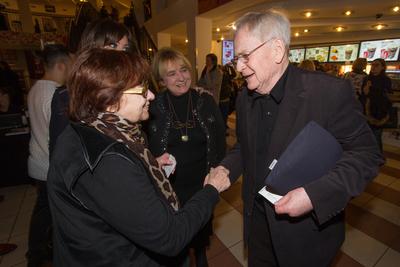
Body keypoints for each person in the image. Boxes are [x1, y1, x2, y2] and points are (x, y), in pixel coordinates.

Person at [214, 10, 383, 267]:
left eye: (245, 56)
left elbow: (366, 154)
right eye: (237, 59)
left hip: (304, 237)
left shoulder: (328, 93)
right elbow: (244, 147)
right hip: (256, 227)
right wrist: (227, 168)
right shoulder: (245, 97)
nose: (238, 67)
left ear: (277, 50)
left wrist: (314, 195)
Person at [47, 48, 230, 267]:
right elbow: (169, 237)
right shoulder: (109, 161)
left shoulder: (91, 131)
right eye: (142, 89)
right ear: (111, 99)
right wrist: (211, 190)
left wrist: (148, 165)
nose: (151, 95)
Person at [147, 47, 226, 266]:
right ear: (161, 80)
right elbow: (143, 148)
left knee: (200, 237)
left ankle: (200, 257)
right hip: (169, 189)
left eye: (183, 70)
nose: (181, 77)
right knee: (175, 240)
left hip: (201, 184)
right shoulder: (152, 107)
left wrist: (217, 174)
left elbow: (220, 139)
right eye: (172, 74)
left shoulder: (205, 101)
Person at [49, 18, 133, 156]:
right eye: (112, 46)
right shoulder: (67, 95)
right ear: (93, 48)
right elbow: (59, 152)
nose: (121, 54)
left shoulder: (128, 91)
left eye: (124, 48)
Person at [26, 44, 72, 267]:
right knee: (48, 214)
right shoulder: (55, 94)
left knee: (43, 211)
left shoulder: (35, 88)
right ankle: (37, 255)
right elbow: (59, 138)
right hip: (47, 166)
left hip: (38, 161)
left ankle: (38, 253)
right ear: (62, 65)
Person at [361, 58, 393, 152]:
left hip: (379, 112)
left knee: (376, 135)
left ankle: (378, 156)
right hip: (366, 110)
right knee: (366, 135)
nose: (373, 67)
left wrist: (371, 91)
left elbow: (387, 96)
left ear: (383, 67)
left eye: (377, 65)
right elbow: (364, 95)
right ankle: (368, 155)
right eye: (372, 65)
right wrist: (366, 90)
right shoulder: (367, 78)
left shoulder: (386, 80)